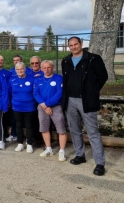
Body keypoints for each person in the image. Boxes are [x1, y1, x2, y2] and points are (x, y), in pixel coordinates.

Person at [61, 36, 108, 176]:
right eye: (71, 45)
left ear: (81, 44)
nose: (74, 47)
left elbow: (103, 76)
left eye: (76, 44)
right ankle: (80, 155)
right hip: (70, 101)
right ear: (69, 47)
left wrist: (92, 91)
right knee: (74, 130)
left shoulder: (93, 59)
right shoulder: (66, 61)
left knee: (92, 132)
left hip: (86, 101)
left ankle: (100, 163)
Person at [33, 60, 67, 162]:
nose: (46, 70)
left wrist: (47, 105)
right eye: (44, 68)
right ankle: (49, 149)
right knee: (44, 128)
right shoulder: (38, 79)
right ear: (41, 68)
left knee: (61, 129)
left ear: (52, 68)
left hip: (56, 106)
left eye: (49, 67)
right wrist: (44, 106)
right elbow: (36, 93)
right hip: (42, 107)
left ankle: (62, 151)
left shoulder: (58, 78)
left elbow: (59, 93)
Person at [9, 62, 36, 153]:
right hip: (17, 106)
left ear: (25, 69)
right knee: (18, 125)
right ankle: (20, 143)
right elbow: (9, 92)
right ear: (15, 70)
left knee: (29, 125)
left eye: (21, 69)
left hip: (29, 106)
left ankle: (29, 144)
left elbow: (35, 92)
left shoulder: (32, 79)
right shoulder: (12, 80)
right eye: (17, 69)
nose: (19, 71)